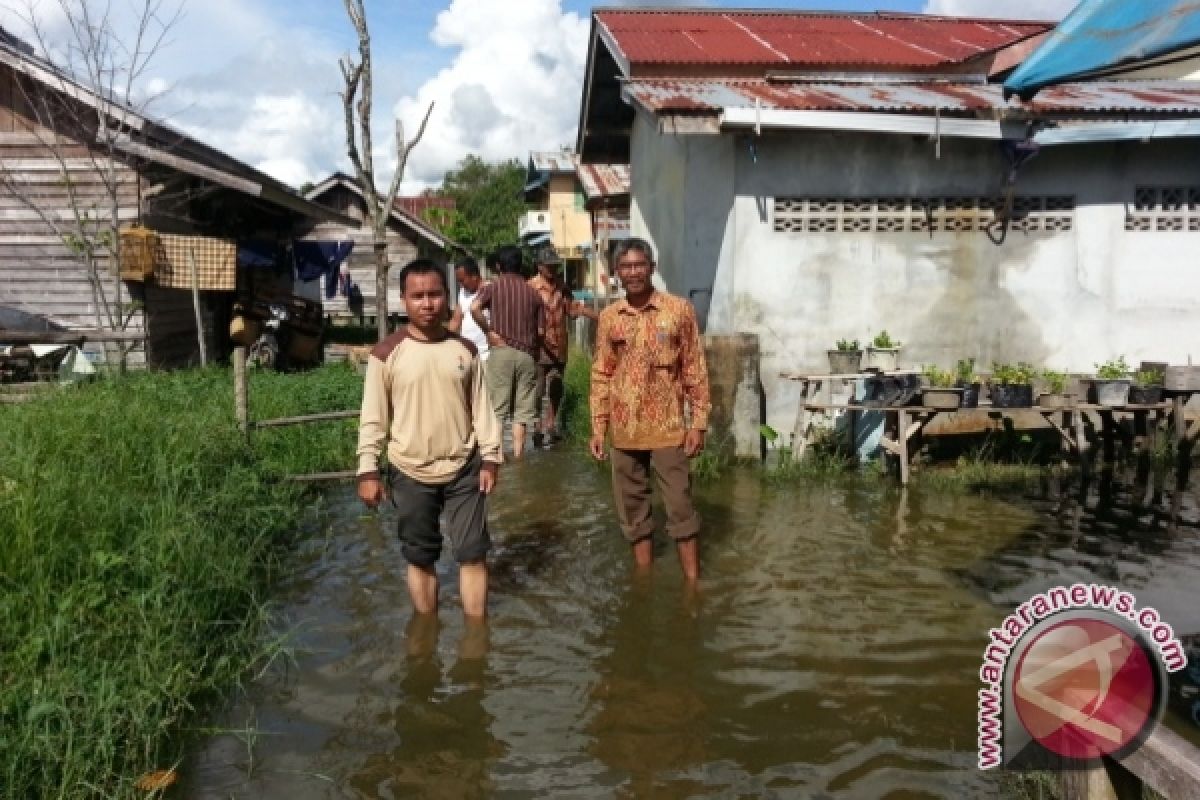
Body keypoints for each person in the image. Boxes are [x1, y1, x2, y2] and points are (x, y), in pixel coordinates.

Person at [356, 258, 502, 619]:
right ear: (403, 300)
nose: (427, 303)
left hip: (465, 468)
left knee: (472, 554)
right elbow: (373, 418)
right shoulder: (386, 355)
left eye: (435, 294)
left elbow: (482, 408)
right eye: (417, 296)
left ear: (447, 297)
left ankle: (476, 640)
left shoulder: (465, 351)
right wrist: (367, 471)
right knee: (420, 557)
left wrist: (491, 457)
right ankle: (426, 631)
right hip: (409, 469)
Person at [588, 238, 710, 581]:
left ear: (652, 268)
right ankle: (644, 581)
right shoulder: (610, 318)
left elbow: (694, 369)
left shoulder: (678, 310)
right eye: (625, 267)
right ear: (617, 273)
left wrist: (698, 423)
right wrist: (598, 427)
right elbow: (601, 372)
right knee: (633, 511)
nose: (633, 272)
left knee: (681, 506)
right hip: (624, 430)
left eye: (639, 265)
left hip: (669, 427)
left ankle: (692, 583)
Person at [470, 245, 544, 459]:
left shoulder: (494, 287)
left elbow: (475, 308)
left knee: (498, 411)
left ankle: (498, 458)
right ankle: (519, 457)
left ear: (499, 266)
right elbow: (540, 331)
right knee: (522, 415)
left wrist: (488, 331)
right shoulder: (533, 293)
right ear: (521, 266)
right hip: (527, 355)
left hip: (501, 351)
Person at [527, 245, 598, 447]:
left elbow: (573, 309)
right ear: (539, 267)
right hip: (538, 347)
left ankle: (551, 423)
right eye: (548, 266)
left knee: (556, 386)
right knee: (537, 389)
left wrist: (598, 316)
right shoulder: (531, 288)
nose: (552, 270)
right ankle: (537, 426)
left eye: (555, 266)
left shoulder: (561, 286)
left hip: (559, 345)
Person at [449, 256, 490, 359]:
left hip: (487, 354)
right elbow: (455, 320)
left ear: (474, 276)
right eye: (459, 281)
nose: (461, 285)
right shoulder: (463, 293)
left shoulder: (491, 290)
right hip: (467, 352)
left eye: (462, 280)